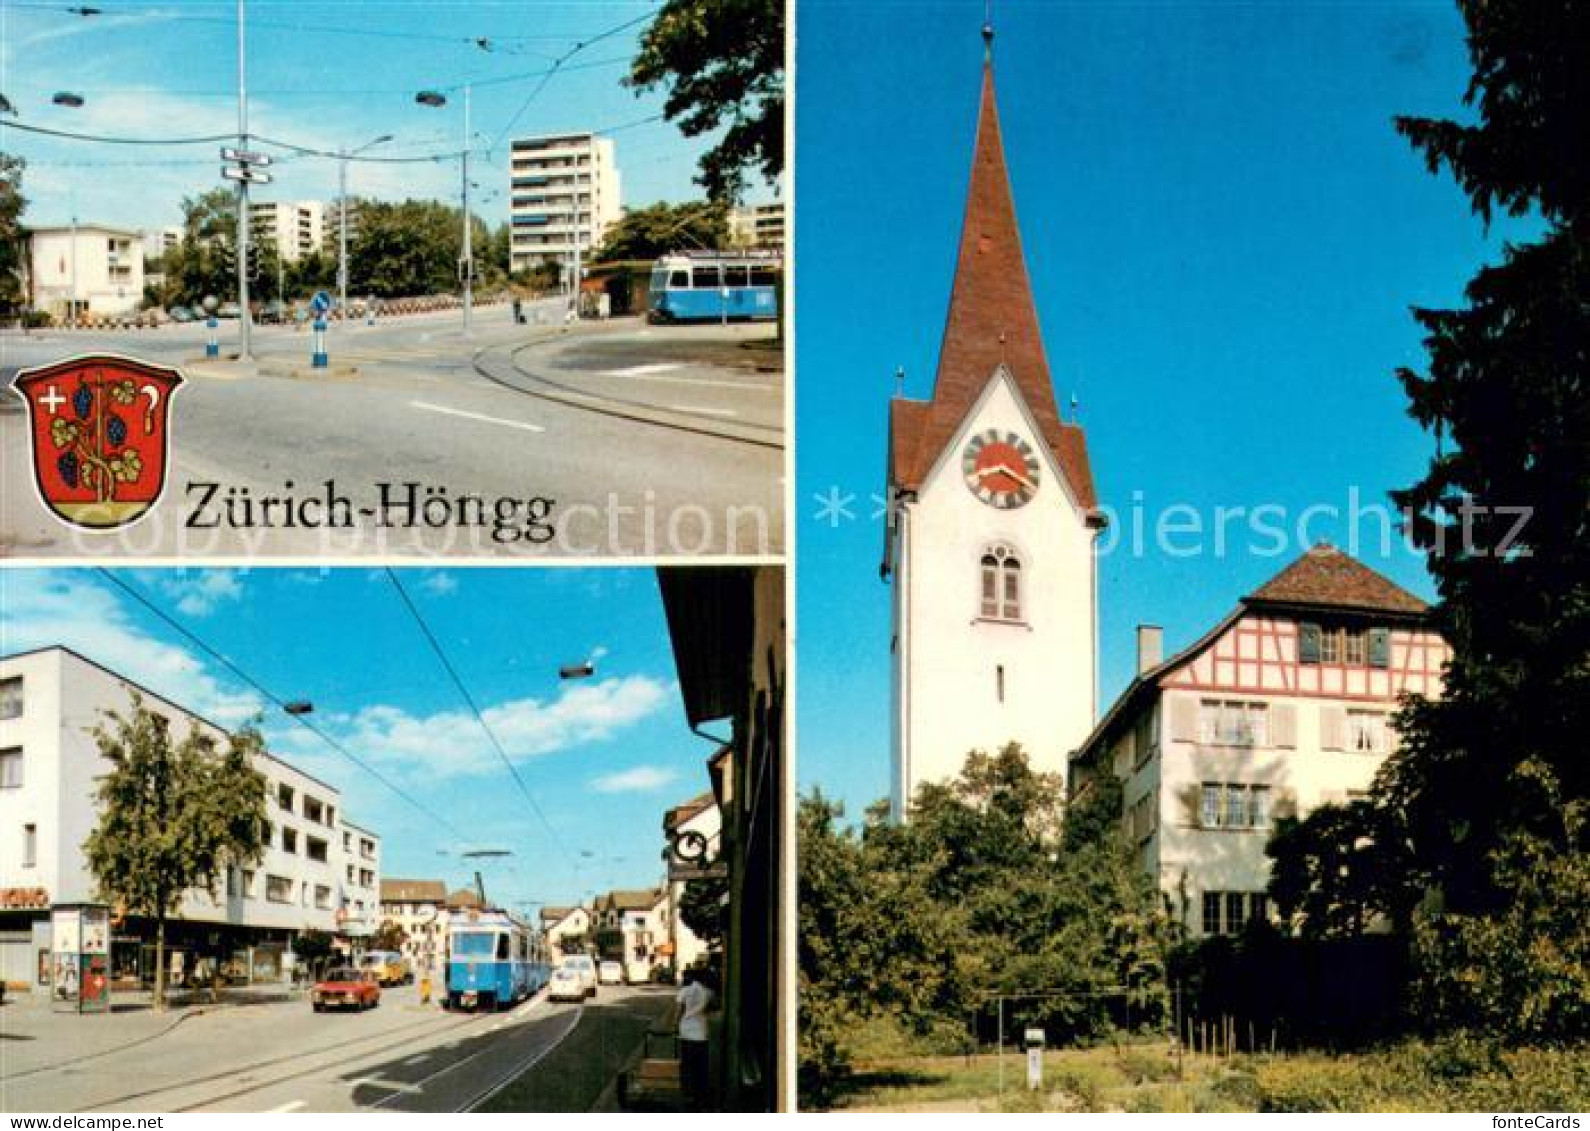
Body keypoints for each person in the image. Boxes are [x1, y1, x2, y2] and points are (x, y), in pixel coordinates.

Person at [676, 966, 714, 1108]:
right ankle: (701, 1093)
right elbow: (711, 1007)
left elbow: (678, 1011)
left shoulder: (684, 991)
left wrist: (674, 1024)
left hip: (686, 1031)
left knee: (687, 1064)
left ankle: (688, 1093)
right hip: (701, 1032)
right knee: (701, 1065)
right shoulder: (708, 992)